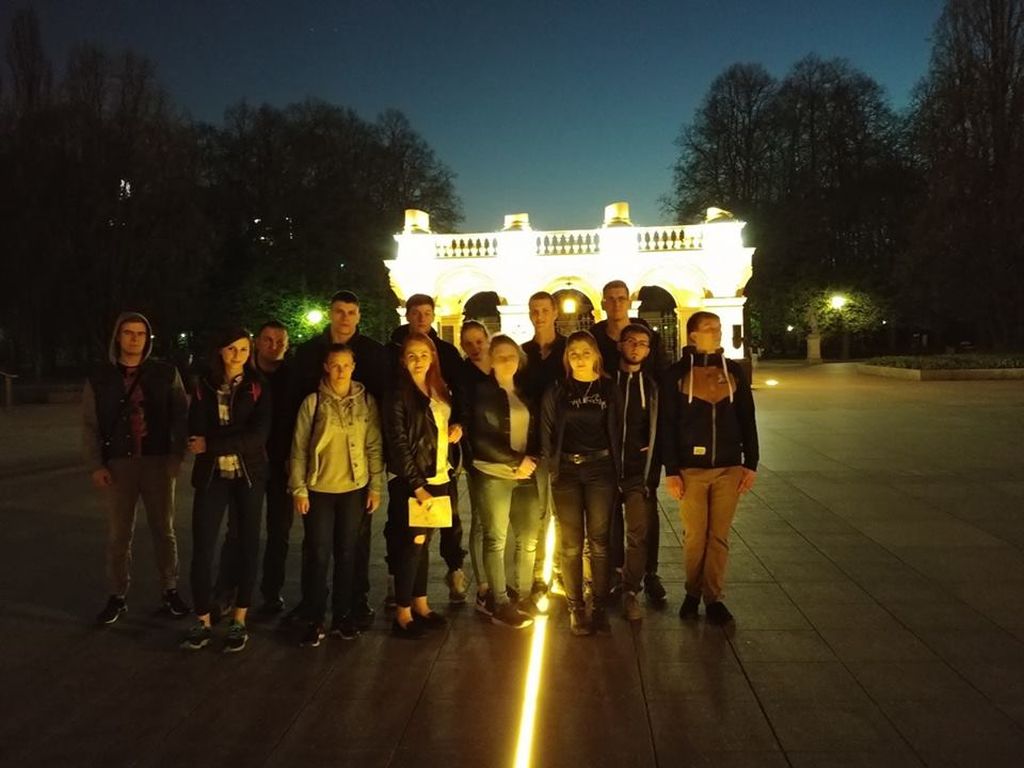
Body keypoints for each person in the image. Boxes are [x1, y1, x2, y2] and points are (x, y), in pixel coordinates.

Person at [83, 312, 190, 625]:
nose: (134, 339)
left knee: (163, 530)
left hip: (157, 461)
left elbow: (181, 416)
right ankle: (117, 594)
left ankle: (169, 589)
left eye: (140, 333)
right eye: (128, 333)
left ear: (148, 338)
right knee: (119, 534)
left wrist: (177, 455)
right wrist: (96, 464)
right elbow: (90, 424)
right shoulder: (100, 377)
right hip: (119, 463)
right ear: (118, 336)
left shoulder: (165, 373)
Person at [290, 290, 387, 629]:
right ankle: (313, 608)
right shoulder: (308, 355)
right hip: (320, 479)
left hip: (356, 477)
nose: (345, 318)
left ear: (358, 316)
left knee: (354, 547)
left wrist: (376, 481)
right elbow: (299, 436)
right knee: (316, 549)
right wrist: (298, 484)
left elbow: (375, 434)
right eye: (339, 311)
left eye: (351, 312)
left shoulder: (373, 354)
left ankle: (351, 605)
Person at [660, 311, 759, 626]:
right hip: (690, 469)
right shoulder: (677, 374)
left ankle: (714, 598)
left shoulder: (733, 371)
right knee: (695, 536)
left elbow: (747, 418)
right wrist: (671, 470)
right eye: (708, 328)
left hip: (729, 467)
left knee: (719, 536)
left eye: (718, 327)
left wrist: (751, 463)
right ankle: (692, 593)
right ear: (692, 335)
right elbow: (667, 424)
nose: (716, 332)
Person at [181, 328, 271, 652]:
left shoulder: (258, 386)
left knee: (248, 544)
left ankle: (239, 618)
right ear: (220, 351)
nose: (238, 355)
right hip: (212, 477)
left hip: (248, 475)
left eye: (244, 349)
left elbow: (257, 436)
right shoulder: (203, 386)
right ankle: (202, 618)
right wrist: (232, 437)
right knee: (203, 547)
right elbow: (195, 433)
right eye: (232, 348)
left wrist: (214, 442)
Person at [387, 294, 467, 603]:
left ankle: (434, 588)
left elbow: (458, 401)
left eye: (427, 312)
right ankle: (403, 599)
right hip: (414, 474)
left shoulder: (442, 372)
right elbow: (398, 436)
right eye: (416, 312)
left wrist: (460, 424)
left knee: (444, 526)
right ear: (406, 315)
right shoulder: (395, 373)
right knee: (410, 537)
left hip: (441, 469)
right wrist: (415, 482)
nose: (422, 318)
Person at [541, 331, 622, 636]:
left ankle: (599, 605)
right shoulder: (558, 390)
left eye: (585, 352)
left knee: (599, 541)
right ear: (567, 358)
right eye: (573, 353)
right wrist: (552, 467)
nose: (579, 358)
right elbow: (547, 430)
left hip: (601, 469)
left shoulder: (609, 388)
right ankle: (576, 606)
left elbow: (619, 427)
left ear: (596, 355)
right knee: (571, 543)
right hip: (567, 471)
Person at [212, 321, 293, 617]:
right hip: (246, 462)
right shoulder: (244, 375)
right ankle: (227, 590)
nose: (274, 345)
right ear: (257, 342)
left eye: (280, 341)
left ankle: (271, 592)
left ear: (287, 345)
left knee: (279, 531)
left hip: (282, 463)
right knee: (238, 530)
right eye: (268, 340)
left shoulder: (293, 377)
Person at [465, 335, 539, 629]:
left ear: (519, 359)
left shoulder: (524, 392)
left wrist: (531, 460)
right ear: (491, 360)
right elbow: (479, 436)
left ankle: (522, 595)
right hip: (493, 472)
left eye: (512, 356)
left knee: (528, 537)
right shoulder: (481, 392)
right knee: (495, 538)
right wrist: (515, 460)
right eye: (500, 356)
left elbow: (534, 432)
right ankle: (499, 602)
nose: (507, 361)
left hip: (525, 473)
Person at [610, 324, 665, 622]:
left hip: (637, 472)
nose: (636, 347)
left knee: (638, 532)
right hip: (606, 470)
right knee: (607, 531)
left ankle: (632, 589)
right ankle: (613, 578)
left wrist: (652, 465)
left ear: (648, 350)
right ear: (620, 345)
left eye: (642, 343)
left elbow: (659, 427)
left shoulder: (653, 387)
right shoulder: (606, 383)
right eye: (630, 341)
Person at [521, 291, 567, 597]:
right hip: (533, 444)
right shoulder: (523, 353)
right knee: (538, 513)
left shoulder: (567, 350)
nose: (539, 316)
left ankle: (562, 570)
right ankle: (539, 572)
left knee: (563, 513)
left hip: (564, 443)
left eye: (544, 310)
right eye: (534, 310)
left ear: (555, 313)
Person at [459, 320, 492, 610]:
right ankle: (483, 585)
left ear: (488, 339)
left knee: (502, 522)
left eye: (479, 341)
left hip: (506, 456)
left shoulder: (501, 367)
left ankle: (500, 578)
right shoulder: (463, 375)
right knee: (481, 521)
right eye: (468, 343)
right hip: (478, 457)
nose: (475, 347)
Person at [590, 280, 665, 375]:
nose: (616, 304)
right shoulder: (592, 341)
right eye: (611, 299)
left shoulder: (652, 340)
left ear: (629, 304)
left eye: (621, 299)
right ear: (603, 305)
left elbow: (663, 373)